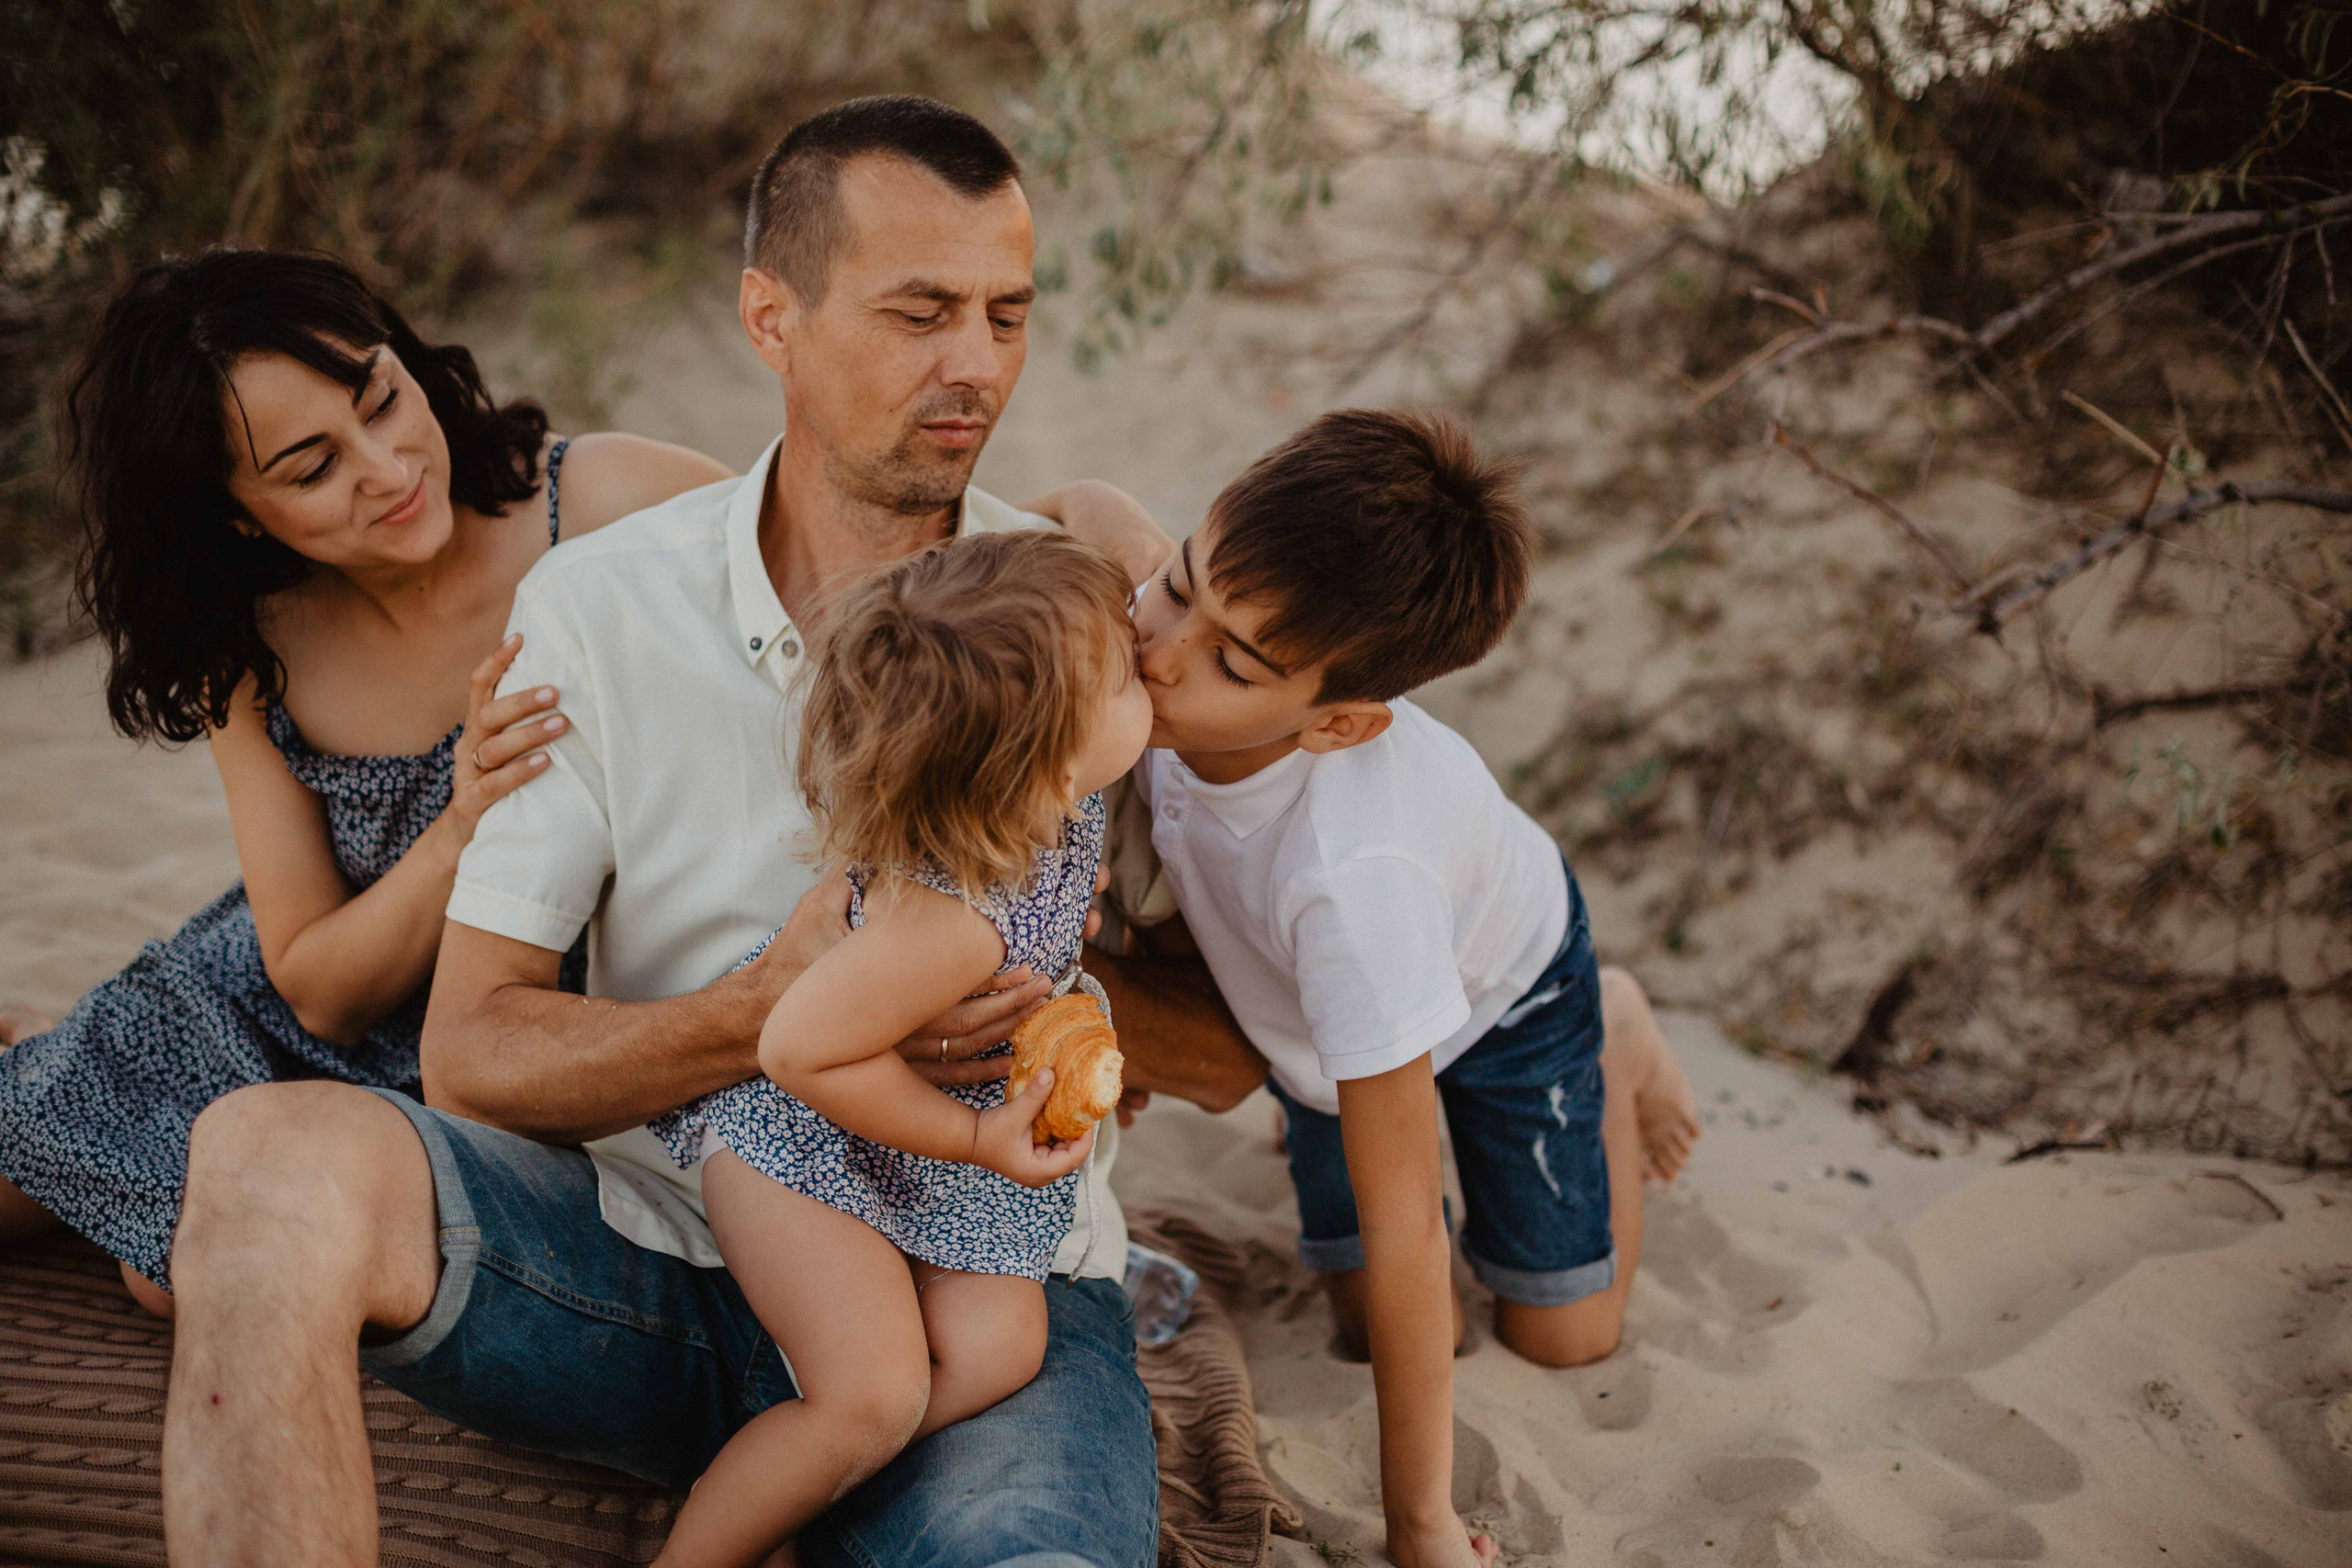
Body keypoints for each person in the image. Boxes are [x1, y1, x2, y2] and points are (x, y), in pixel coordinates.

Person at [158, 96, 1263, 1567]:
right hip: (645, 1251)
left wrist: (1043, 1016)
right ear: (771, 314)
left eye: (1007, 312)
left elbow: (1244, 1022)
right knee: (262, 1158)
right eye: (920, 311)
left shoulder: (1097, 623)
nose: (976, 365)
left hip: (986, 1278)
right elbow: (472, 1052)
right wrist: (771, 1013)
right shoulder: (599, 609)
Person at [0, 248, 729, 1314]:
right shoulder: (250, 651)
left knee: (172, 1271)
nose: (386, 469)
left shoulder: (613, 499)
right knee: (48, 1153)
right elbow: (315, 988)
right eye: (312, 467)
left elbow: (861, 606)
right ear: (238, 514)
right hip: (265, 1011)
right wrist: (461, 819)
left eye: (383, 399)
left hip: (500, 1059)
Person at [1124, 410, 1703, 1568]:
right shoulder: (1152, 676)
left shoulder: (1353, 882)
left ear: (1338, 723)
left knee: (1562, 1335)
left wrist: (1420, 1524)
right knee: (1371, 1324)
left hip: (1505, 994)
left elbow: (1405, 1230)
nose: (1163, 650)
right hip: (1314, 1019)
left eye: (1236, 661)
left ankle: (1619, 1031)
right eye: (1178, 581)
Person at [650, 531, 1150, 1566]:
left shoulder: (1049, 800)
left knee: (1000, 1345)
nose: (1150, 662)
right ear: (1055, 766)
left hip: (914, 1145)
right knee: (872, 1393)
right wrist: (971, 1141)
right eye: (1128, 673)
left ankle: (788, 1478)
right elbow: (796, 1049)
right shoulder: (952, 922)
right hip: (804, 1151)